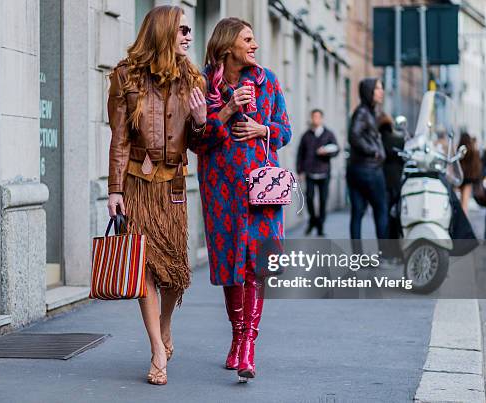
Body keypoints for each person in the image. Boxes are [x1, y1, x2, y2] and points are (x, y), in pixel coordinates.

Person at [106, 5, 207, 385]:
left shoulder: (193, 81)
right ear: (163, 32)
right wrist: (114, 189)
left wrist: (200, 122)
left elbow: (199, 143)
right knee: (143, 267)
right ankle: (156, 350)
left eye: (188, 31)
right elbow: (118, 138)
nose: (187, 36)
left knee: (175, 273)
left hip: (175, 186)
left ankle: (165, 322)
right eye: (181, 30)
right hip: (136, 183)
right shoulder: (126, 76)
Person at [189, 17, 291, 381]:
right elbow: (196, 142)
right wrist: (228, 109)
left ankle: (248, 345)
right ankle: (235, 339)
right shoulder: (202, 86)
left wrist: (262, 128)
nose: (255, 45)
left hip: (261, 190)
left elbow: (285, 130)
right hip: (221, 192)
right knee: (233, 267)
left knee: (255, 266)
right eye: (248, 39)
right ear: (228, 44)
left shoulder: (267, 82)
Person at [346, 78, 388, 252]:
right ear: (369, 91)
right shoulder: (363, 112)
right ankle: (384, 254)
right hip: (369, 170)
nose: (381, 91)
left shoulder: (366, 111)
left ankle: (358, 256)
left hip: (358, 169)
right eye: (377, 88)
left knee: (357, 213)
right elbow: (354, 136)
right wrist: (374, 151)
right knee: (381, 210)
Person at [295, 109, 340, 236]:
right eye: (313, 117)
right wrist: (300, 171)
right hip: (309, 171)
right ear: (311, 118)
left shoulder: (328, 134)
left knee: (323, 200)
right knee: (309, 197)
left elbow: (336, 150)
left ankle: (320, 226)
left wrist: (327, 152)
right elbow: (300, 153)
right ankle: (313, 219)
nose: (315, 119)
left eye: (318, 117)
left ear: (321, 119)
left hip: (324, 171)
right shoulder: (306, 135)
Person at [378, 113, 404, 259]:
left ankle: (384, 250)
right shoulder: (398, 141)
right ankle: (395, 250)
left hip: (381, 181)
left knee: (383, 216)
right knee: (395, 217)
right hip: (396, 181)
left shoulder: (377, 141)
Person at [458, 132, 483, 215]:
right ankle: (464, 220)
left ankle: (462, 218)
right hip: (469, 177)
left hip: (460, 176)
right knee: (465, 201)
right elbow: (476, 165)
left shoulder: (460, 150)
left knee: (461, 199)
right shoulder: (472, 150)